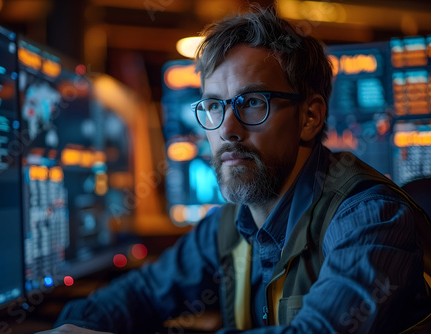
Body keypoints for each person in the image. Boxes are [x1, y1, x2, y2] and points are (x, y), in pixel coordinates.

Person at [38, 5, 431, 334]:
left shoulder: (371, 219)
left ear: (310, 117)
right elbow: (139, 294)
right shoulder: (230, 226)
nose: (226, 129)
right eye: (213, 106)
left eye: (252, 102)